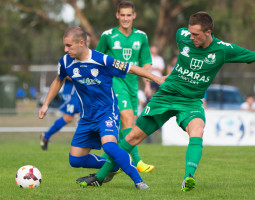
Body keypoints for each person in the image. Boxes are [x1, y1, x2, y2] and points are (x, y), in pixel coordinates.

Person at [78, 11, 255, 191]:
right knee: (133, 136)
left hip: (191, 101)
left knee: (198, 130)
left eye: (196, 34)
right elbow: (182, 33)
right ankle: (101, 176)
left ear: (208, 33)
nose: (191, 37)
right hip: (166, 96)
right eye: (190, 33)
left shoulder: (223, 50)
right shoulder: (182, 34)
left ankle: (188, 178)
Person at [38, 27, 164, 189]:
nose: (65, 49)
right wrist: (46, 103)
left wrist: (156, 78)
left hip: (107, 113)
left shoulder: (102, 60)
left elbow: (131, 68)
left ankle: (138, 181)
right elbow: (58, 80)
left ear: (81, 43)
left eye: (69, 46)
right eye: (65, 45)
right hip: (86, 117)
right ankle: (115, 164)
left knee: (110, 146)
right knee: (75, 160)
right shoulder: (65, 61)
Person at [95, 1, 154, 173]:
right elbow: (97, 59)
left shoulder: (142, 36)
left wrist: (147, 82)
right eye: (123, 15)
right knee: (128, 119)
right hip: (115, 82)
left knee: (128, 126)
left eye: (129, 15)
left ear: (134, 16)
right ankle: (137, 162)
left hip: (132, 84)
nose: (126, 18)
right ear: (117, 15)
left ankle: (107, 162)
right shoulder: (107, 36)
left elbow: (146, 62)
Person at [40, 34, 92, 150]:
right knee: (68, 118)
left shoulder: (90, 57)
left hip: (84, 94)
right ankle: (46, 136)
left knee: (83, 116)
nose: (86, 43)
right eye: (85, 40)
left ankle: (83, 143)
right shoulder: (69, 57)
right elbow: (63, 76)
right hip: (72, 93)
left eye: (88, 41)